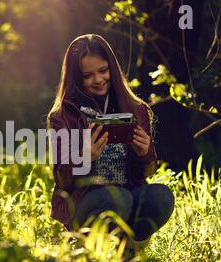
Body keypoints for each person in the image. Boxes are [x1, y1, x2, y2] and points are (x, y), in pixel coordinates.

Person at [46, 34, 174, 248]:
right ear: (76, 77)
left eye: (103, 71)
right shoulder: (62, 116)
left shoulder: (136, 109)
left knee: (161, 196)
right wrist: (83, 157)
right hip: (85, 202)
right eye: (88, 75)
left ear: (112, 69)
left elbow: (147, 172)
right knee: (118, 198)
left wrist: (145, 153)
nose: (98, 80)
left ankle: (128, 251)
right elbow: (61, 179)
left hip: (129, 194)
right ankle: (86, 246)